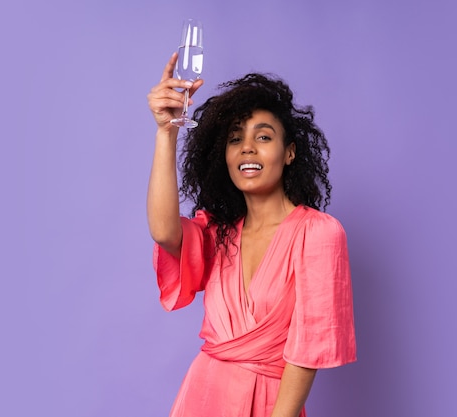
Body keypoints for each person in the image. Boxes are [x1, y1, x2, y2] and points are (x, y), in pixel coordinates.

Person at [146, 52, 356, 417]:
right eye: (235, 138)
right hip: (202, 397)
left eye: (263, 136)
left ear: (289, 153)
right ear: (223, 156)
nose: (247, 147)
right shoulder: (219, 232)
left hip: (272, 406)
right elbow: (165, 232)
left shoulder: (318, 233)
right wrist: (167, 132)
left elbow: (307, 351)